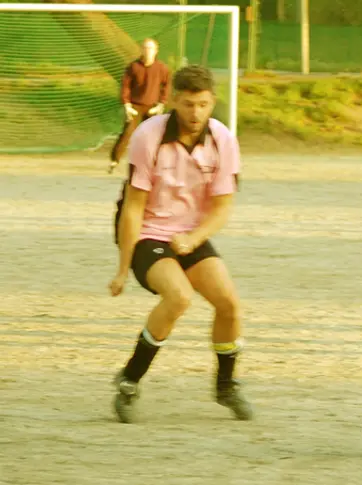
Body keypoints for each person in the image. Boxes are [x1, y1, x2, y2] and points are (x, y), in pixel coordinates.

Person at [108, 64, 252, 424]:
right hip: (147, 234)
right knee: (179, 297)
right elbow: (133, 207)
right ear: (174, 100)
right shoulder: (148, 136)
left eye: (203, 104)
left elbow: (221, 209)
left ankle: (226, 385)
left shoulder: (223, 140)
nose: (196, 113)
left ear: (212, 102)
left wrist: (193, 238)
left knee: (229, 304)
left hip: (191, 235)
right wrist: (123, 269)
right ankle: (129, 380)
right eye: (188, 104)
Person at [109, 38, 171, 174]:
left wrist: (161, 104)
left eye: (151, 48)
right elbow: (125, 86)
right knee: (127, 132)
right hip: (135, 107)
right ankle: (115, 160)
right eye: (146, 48)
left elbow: (167, 86)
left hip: (152, 107)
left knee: (155, 135)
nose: (148, 51)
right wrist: (127, 105)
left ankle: (157, 163)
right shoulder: (133, 67)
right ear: (142, 50)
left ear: (156, 51)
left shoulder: (162, 68)